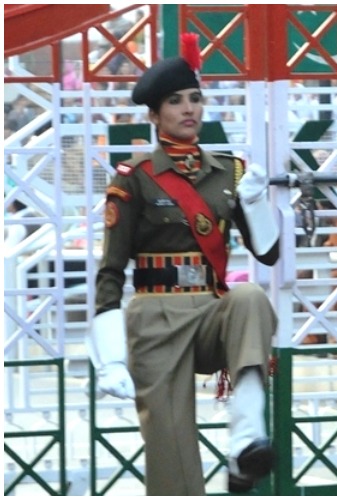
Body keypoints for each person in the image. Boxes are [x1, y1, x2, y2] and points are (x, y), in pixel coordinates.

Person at [86, 33, 279, 495]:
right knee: (172, 461)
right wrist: (110, 359)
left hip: (211, 311)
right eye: (175, 101)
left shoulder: (229, 171)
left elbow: (268, 254)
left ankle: (246, 441)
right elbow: (111, 270)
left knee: (250, 296)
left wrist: (255, 204)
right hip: (156, 318)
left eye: (195, 98)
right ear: (155, 116)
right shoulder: (134, 178)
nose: (189, 108)